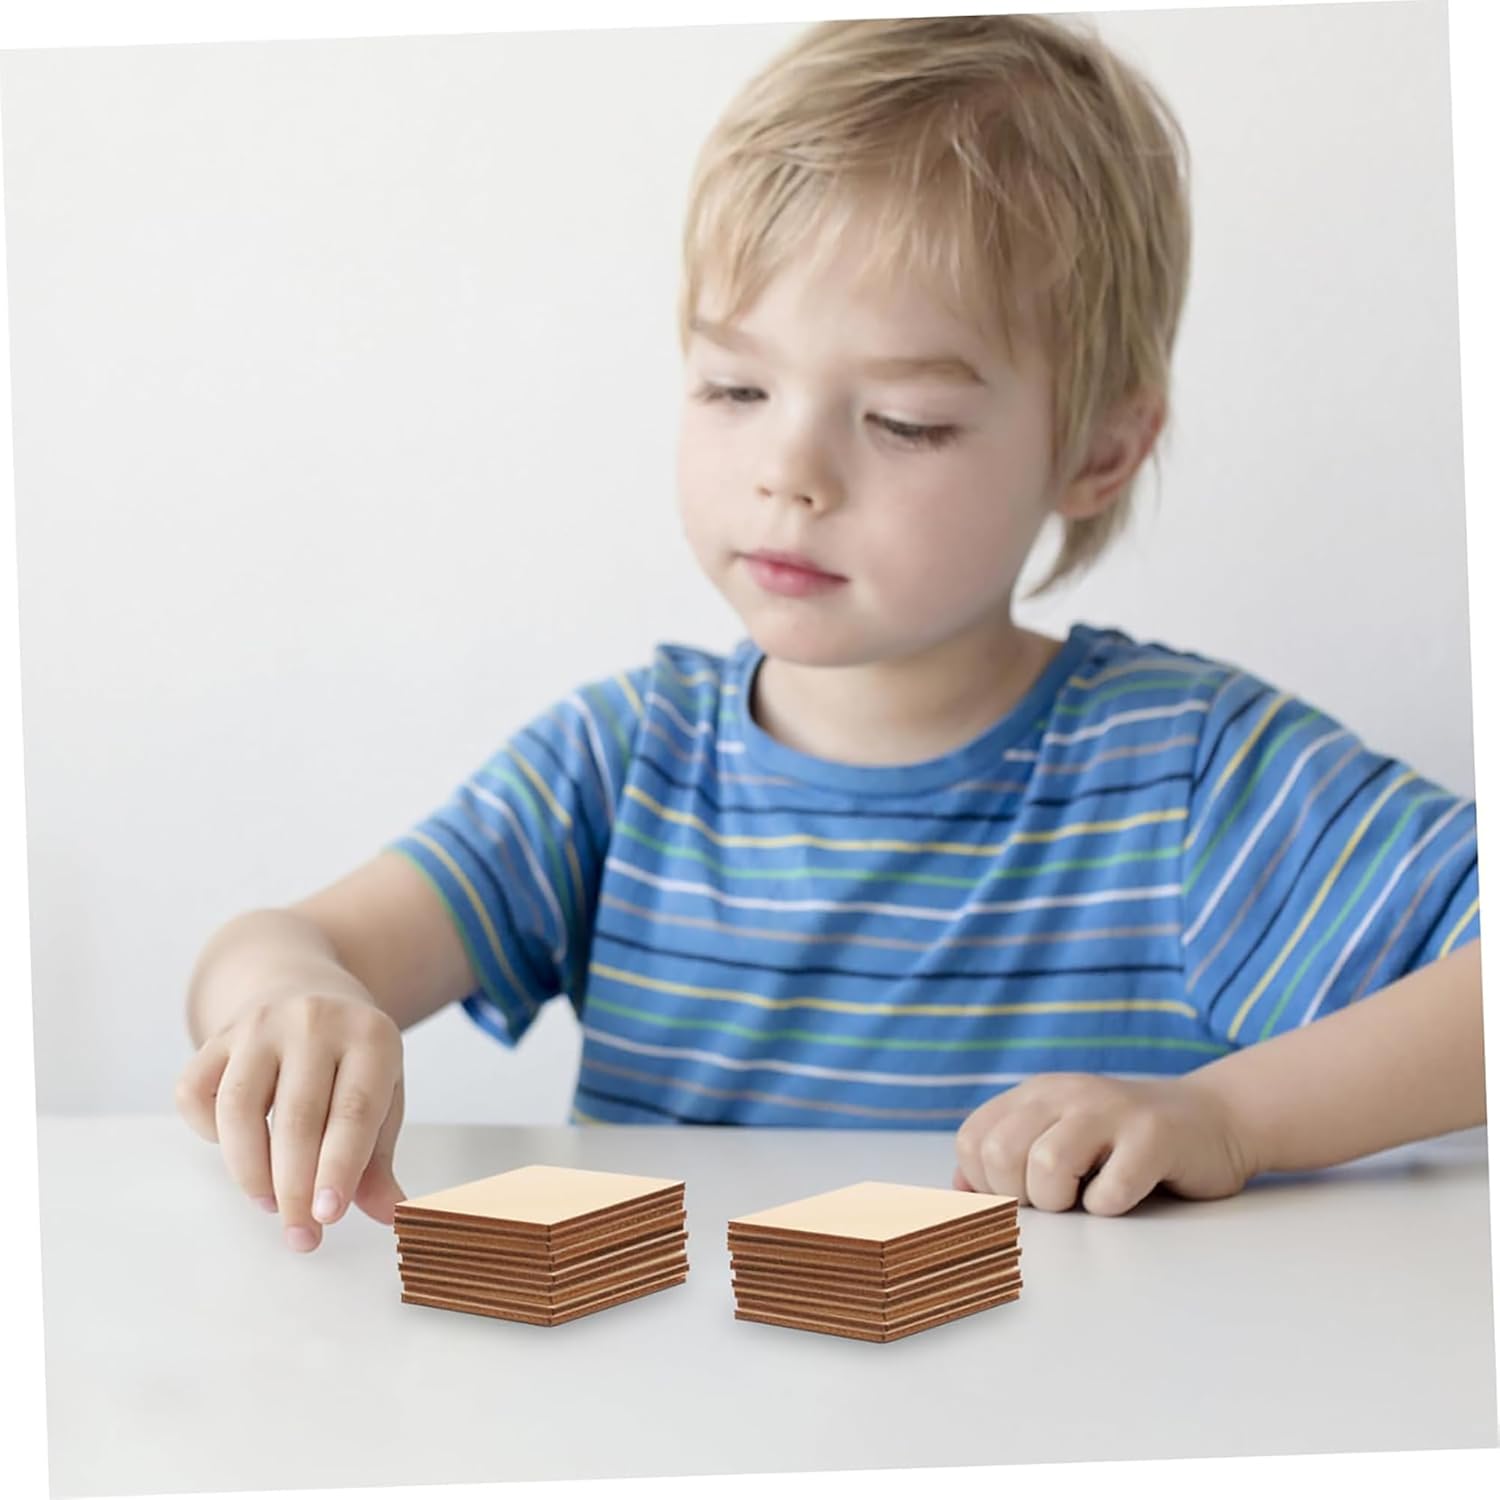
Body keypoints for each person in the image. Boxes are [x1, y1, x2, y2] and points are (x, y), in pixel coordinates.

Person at [175, 15, 1483, 1252]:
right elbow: (278, 947)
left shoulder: (1188, 775)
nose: (788, 472)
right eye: (735, 387)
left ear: (1096, 452)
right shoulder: (624, 763)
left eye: (905, 420)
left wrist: (1234, 1117)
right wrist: (299, 1002)